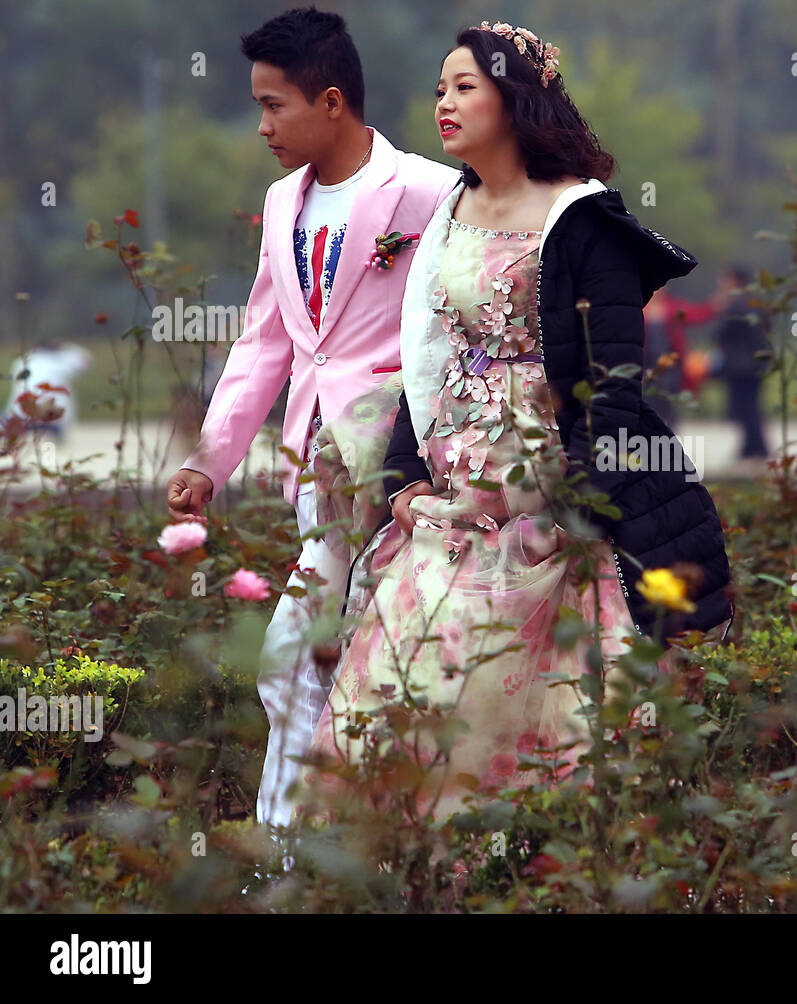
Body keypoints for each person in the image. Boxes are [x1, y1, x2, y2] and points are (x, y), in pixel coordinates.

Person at [291, 21, 735, 825]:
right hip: (448, 498)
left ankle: (521, 861)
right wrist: (404, 475)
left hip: (548, 498)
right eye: (438, 90)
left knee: (531, 704)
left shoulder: (581, 219)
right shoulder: (452, 210)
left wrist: (573, 503)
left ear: (516, 99)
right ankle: (391, 864)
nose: (445, 104)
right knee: (405, 682)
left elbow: (615, 384)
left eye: (465, 87)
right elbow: (425, 356)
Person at [163, 6, 461, 830]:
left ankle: (292, 851)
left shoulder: (431, 192)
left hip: (403, 475)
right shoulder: (282, 201)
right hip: (315, 476)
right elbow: (264, 344)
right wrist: (209, 463)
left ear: (332, 101)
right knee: (328, 666)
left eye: (274, 105)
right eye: (258, 106)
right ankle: (329, 852)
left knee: (307, 662)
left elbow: (456, 333)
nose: (262, 126)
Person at [713, 266, 770, 463]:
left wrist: (721, 306)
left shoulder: (735, 304)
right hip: (758, 362)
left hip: (740, 365)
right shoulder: (757, 303)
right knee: (751, 407)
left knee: (745, 409)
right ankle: (752, 447)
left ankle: (756, 448)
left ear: (734, 281)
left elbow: (720, 333)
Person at [642, 286, 720, 428]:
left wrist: (716, 303)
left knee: (669, 402)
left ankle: (669, 434)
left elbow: (697, 314)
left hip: (670, 366)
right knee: (648, 401)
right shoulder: (642, 309)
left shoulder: (672, 307)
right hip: (647, 366)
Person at [5, 341, 92, 442]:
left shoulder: (20, 362)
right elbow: (86, 359)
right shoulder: (61, 362)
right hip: (53, 421)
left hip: (20, 418)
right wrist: (64, 346)